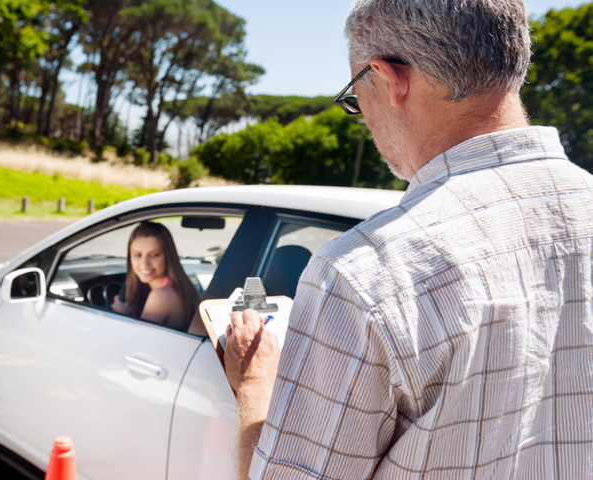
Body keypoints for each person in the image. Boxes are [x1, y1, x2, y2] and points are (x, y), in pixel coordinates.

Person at [225, 1, 593, 479]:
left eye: (356, 96)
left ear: (388, 77)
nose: (364, 116)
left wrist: (255, 381)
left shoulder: (365, 271)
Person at [111, 221, 201, 331]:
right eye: (138, 255)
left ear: (167, 256)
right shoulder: (179, 285)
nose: (145, 263)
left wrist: (121, 314)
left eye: (154, 255)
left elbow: (138, 340)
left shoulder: (161, 296)